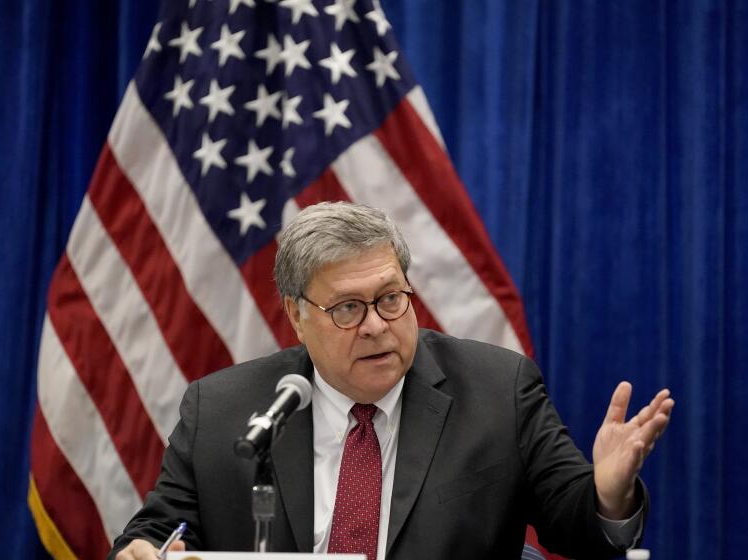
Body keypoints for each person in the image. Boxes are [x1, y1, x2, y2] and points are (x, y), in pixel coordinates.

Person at [111, 202, 673, 560]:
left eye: (390, 299)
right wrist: (141, 552)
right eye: (348, 309)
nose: (378, 326)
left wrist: (607, 492)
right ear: (296, 316)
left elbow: (576, 530)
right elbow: (160, 530)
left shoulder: (498, 390)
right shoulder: (226, 408)